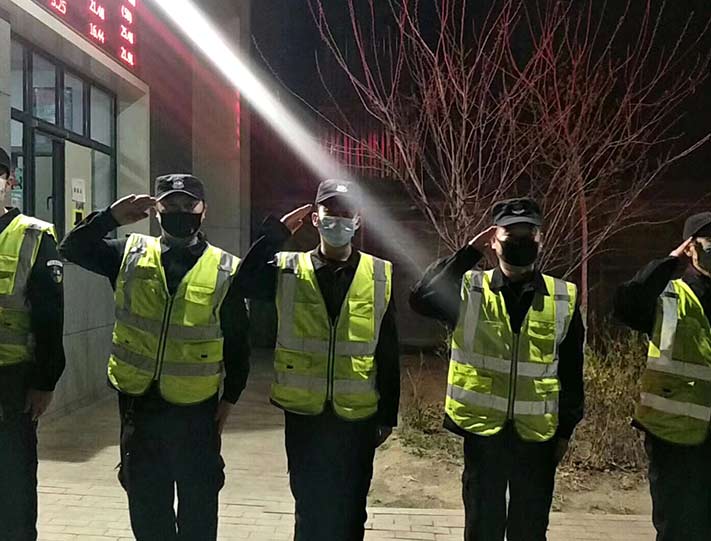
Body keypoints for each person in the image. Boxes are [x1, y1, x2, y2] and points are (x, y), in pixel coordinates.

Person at [59, 174, 250, 541]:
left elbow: (238, 343)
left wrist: (229, 399)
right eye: (171, 205)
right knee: (148, 516)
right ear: (157, 210)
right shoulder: (128, 253)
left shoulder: (225, 268)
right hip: (140, 407)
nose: (180, 212)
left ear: (204, 211)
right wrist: (110, 218)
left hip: (196, 412)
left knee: (198, 516)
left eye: (188, 205)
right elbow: (73, 248)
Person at [410, 197, 585, 541]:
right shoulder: (469, 289)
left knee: (529, 530)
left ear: (540, 239)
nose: (520, 240)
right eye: (510, 233)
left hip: (537, 437)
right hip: (483, 433)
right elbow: (420, 298)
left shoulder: (563, 296)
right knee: (482, 528)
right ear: (493, 239)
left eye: (528, 233)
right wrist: (467, 254)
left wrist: (565, 430)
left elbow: (570, 370)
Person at [235, 178, 400, 541]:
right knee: (309, 509)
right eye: (330, 212)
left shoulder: (378, 274)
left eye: (346, 213)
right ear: (315, 218)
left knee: (352, 510)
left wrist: (388, 414)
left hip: (357, 417)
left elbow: (387, 349)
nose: (337, 220)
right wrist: (277, 233)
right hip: (305, 415)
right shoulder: (288, 269)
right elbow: (243, 282)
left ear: (358, 220)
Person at [613, 212, 711, 541]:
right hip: (673, 439)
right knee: (678, 529)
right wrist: (668, 263)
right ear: (690, 247)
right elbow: (626, 304)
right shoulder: (667, 297)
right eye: (710, 240)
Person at [0, 147, 66, 540]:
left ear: (10, 181)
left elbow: (49, 314)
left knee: (13, 487)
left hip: (12, 383)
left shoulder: (33, 235)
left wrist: (45, 380)